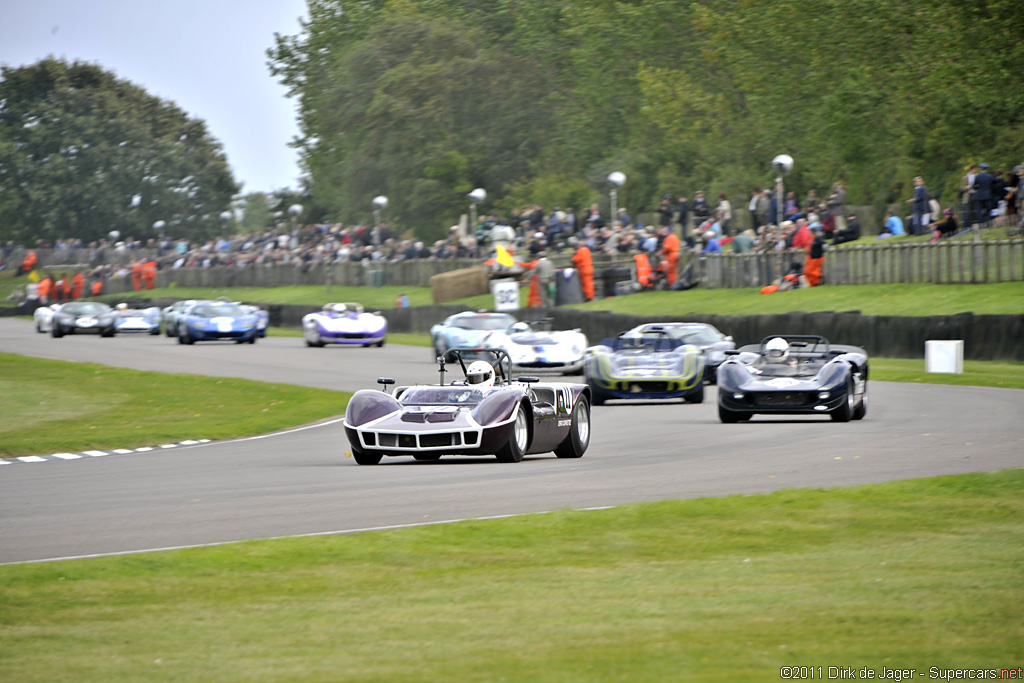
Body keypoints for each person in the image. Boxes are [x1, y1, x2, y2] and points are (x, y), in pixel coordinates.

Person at [972, 164, 996, 229]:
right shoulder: (989, 176)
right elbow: (995, 181)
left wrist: (978, 189)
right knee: (988, 210)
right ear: (987, 169)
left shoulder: (978, 176)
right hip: (987, 195)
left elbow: (974, 185)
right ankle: (988, 223)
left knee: (979, 210)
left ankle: (980, 224)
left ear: (981, 169)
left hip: (979, 196)